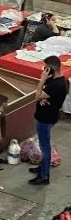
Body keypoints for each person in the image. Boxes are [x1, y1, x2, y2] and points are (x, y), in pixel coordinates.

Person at [30, 55, 69, 185]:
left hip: (45, 119)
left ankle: (44, 176)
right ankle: (42, 168)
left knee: (44, 148)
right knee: (44, 145)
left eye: (46, 68)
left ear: (51, 68)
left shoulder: (56, 85)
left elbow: (37, 96)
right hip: (47, 116)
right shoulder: (58, 81)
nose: (44, 70)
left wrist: (42, 80)